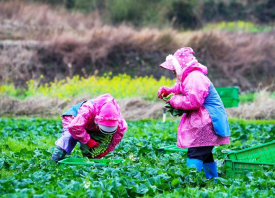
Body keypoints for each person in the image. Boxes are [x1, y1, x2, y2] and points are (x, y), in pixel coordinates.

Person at [157, 47, 230, 180]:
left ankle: (190, 181)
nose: (173, 71)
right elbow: (181, 88)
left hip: (209, 120)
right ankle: (212, 179)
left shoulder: (195, 77)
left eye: (174, 68)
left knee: (196, 151)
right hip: (205, 119)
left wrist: (172, 99)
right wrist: (168, 91)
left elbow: (193, 101)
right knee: (204, 151)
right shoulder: (189, 76)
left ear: (181, 66)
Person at [51, 93, 127, 162]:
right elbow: (74, 126)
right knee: (69, 137)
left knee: (102, 138)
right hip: (75, 118)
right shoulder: (88, 108)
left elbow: (119, 133)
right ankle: (56, 158)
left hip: (92, 123)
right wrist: (88, 140)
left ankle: (93, 160)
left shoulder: (117, 117)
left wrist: (108, 149)